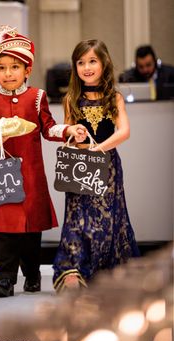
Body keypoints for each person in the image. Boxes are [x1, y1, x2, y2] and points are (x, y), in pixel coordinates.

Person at [0, 25, 87, 297]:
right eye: (1, 68)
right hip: (3, 175)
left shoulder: (37, 98)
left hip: (32, 175)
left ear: (27, 70)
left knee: (30, 230)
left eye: (15, 67)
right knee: (4, 230)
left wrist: (69, 130)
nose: (8, 73)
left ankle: (32, 274)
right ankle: (4, 278)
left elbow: (48, 128)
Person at [53, 39, 140, 293]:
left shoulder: (114, 97)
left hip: (107, 167)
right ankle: (73, 270)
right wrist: (73, 137)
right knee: (76, 219)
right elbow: (66, 133)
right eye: (81, 62)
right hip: (77, 166)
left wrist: (98, 149)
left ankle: (105, 271)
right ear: (75, 67)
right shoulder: (71, 98)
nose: (86, 67)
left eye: (92, 61)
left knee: (107, 219)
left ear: (104, 64)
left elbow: (124, 132)